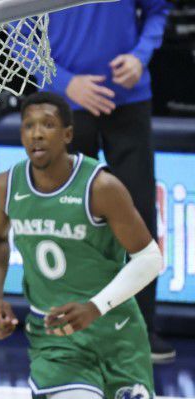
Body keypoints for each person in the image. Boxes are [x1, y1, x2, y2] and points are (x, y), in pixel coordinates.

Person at [0, 92, 195, 399]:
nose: (36, 133)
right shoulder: (6, 186)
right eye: (28, 125)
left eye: (45, 124)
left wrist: (97, 306)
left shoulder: (101, 187)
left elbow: (150, 258)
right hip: (55, 339)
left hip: (115, 333)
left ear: (67, 134)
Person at [41, 0, 173, 361]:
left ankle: (141, 329)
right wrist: (65, 81)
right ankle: (66, 330)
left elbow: (158, 11)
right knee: (64, 221)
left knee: (140, 215)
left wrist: (140, 56)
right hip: (63, 102)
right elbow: (15, 33)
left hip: (128, 102)